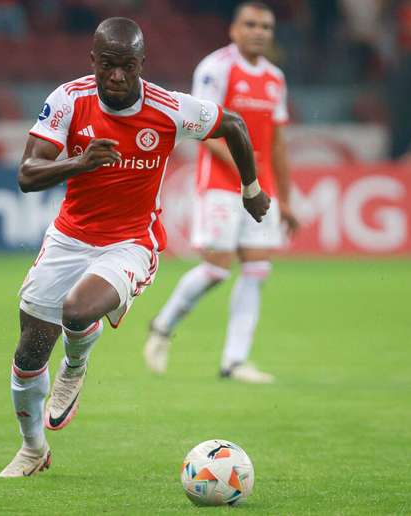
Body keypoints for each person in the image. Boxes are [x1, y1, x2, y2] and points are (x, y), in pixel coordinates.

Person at [0, 17, 271, 477]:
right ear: (93, 61)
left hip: (130, 242)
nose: (117, 76)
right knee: (28, 354)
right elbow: (27, 174)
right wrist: (81, 163)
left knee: (78, 311)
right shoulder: (68, 100)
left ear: (142, 64)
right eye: (108, 65)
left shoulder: (169, 109)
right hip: (68, 238)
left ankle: (75, 366)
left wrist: (252, 189)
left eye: (127, 66)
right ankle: (33, 450)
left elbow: (235, 125)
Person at [143, 1, 298, 384]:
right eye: (251, 24)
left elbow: (277, 141)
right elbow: (203, 131)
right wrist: (248, 175)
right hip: (221, 186)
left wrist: (287, 198)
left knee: (257, 270)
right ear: (234, 30)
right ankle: (162, 327)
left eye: (266, 26)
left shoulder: (275, 78)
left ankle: (234, 361)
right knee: (215, 270)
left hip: (262, 189)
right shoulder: (216, 68)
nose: (259, 31)